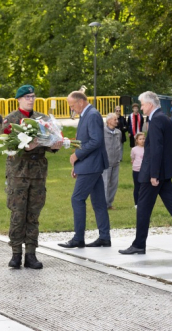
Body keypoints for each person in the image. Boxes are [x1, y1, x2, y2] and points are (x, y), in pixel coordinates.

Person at [119, 91, 172, 255]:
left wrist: (153, 174)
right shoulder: (166, 118)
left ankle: (139, 245)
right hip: (165, 171)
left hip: (153, 173)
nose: (141, 108)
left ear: (149, 104)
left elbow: (156, 148)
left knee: (142, 208)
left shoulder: (155, 120)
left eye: (142, 104)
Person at [4, 85, 63, 269]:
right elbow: (6, 143)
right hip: (18, 173)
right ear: (19, 99)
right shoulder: (11, 120)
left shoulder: (43, 119)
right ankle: (16, 253)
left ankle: (31, 254)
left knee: (33, 213)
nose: (31, 99)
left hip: (37, 173)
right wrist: (24, 146)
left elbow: (50, 142)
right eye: (27, 96)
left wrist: (56, 145)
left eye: (33, 96)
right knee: (18, 213)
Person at [58, 91, 111, 250]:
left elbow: (96, 141)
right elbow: (84, 141)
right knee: (99, 202)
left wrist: (77, 156)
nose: (72, 109)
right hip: (89, 165)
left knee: (77, 199)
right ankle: (104, 237)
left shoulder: (92, 115)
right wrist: (77, 163)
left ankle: (78, 238)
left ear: (81, 102)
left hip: (91, 165)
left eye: (72, 105)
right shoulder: (87, 115)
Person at [103, 113, 123, 209]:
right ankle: (104, 204)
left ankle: (109, 203)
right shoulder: (102, 132)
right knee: (105, 184)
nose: (117, 121)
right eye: (115, 119)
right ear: (109, 121)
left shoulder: (118, 132)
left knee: (114, 184)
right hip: (106, 162)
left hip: (116, 162)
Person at [130, 132, 145, 207]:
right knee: (137, 186)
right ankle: (136, 203)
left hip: (145, 170)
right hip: (136, 170)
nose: (142, 140)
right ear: (136, 140)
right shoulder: (134, 149)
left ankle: (143, 202)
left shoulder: (147, 148)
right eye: (140, 139)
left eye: (143, 139)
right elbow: (132, 158)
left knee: (144, 187)